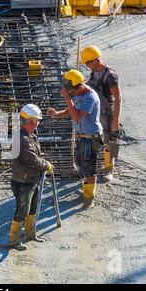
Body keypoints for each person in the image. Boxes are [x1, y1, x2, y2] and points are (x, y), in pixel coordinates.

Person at [48, 70, 103, 208]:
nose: (71, 94)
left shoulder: (91, 98)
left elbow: (77, 116)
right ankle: (87, 188)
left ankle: (89, 197)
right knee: (80, 164)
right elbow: (71, 110)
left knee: (90, 168)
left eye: (72, 92)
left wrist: (67, 98)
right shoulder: (79, 93)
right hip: (82, 136)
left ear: (79, 86)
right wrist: (57, 114)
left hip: (92, 138)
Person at [10, 104, 54, 251]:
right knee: (22, 210)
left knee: (33, 208)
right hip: (23, 181)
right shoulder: (22, 138)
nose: (37, 124)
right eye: (36, 121)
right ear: (29, 121)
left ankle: (30, 234)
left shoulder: (30, 135)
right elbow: (31, 159)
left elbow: (35, 156)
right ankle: (14, 240)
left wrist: (43, 163)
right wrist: (45, 164)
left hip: (32, 178)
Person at [81, 45, 122, 182]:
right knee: (99, 140)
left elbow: (118, 98)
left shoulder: (110, 75)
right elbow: (90, 83)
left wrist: (115, 121)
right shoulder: (95, 72)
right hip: (97, 111)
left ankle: (110, 170)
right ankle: (102, 163)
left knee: (112, 141)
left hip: (108, 113)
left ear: (94, 60)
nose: (86, 66)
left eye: (87, 63)